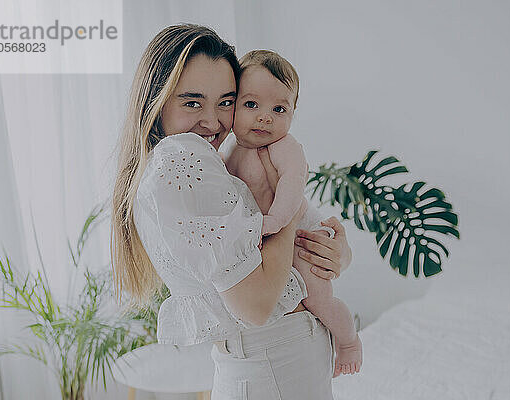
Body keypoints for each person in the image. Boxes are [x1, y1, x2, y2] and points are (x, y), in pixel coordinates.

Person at [111, 24, 353, 400]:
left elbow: (258, 255)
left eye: (226, 102)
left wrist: (333, 251)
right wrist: (286, 213)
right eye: (192, 102)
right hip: (276, 365)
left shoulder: (200, 161)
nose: (213, 121)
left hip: (272, 364)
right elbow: (256, 305)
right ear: (155, 101)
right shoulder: (182, 157)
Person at [224, 49, 362, 377]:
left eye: (279, 108)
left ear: (293, 113)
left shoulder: (285, 148)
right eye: (251, 104)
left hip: (302, 232)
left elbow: (291, 188)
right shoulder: (230, 151)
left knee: (318, 299)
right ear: (233, 106)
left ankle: (348, 340)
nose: (265, 117)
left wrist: (273, 222)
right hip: (272, 237)